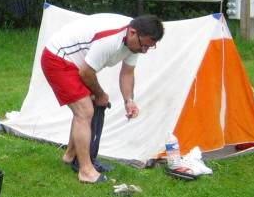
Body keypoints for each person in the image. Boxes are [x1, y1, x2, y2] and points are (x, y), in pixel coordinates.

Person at [40, 12, 164, 184]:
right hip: (57, 58)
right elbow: (86, 72)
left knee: (84, 107)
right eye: (144, 46)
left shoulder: (136, 42)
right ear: (133, 32)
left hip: (77, 63)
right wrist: (100, 94)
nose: (144, 51)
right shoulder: (111, 39)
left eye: (149, 47)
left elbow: (127, 73)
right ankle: (85, 170)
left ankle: (70, 156)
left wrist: (129, 101)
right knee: (85, 111)